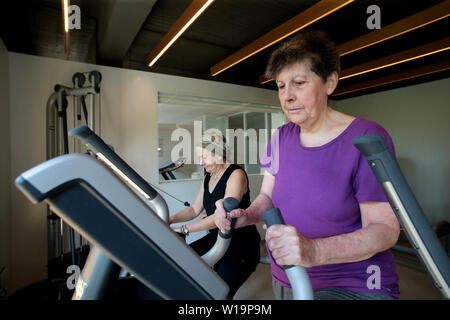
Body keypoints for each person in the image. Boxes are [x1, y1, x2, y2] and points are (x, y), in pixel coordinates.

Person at [214, 30, 401, 300]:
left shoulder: (367, 138)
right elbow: (267, 197)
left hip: (354, 283)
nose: (287, 96)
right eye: (280, 86)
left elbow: (385, 230)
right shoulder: (279, 137)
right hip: (289, 276)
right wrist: (244, 216)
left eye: (299, 83)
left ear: (330, 83)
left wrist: (315, 251)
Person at [169, 133, 261, 299]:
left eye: (204, 156)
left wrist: (183, 229)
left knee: (219, 292)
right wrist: (169, 219)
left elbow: (221, 217)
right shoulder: (207, 177)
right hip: (216, 239)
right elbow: (193, 210)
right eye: (199, 157)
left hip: (240, 242)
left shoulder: (236, 174)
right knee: (185, 261)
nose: (200, 162)